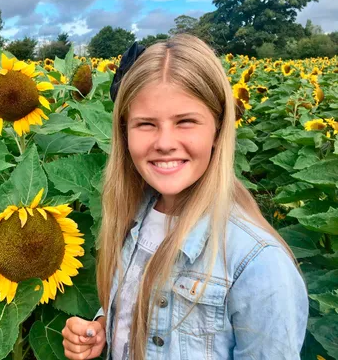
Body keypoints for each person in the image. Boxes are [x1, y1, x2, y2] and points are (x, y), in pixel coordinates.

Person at [61, 34, 309, 360]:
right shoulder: (135, 214)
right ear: (123, 132)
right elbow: (141, 290)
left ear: (218, 130)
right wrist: (106, 325)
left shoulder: (259, 265)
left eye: (186, 122)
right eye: (146, 124)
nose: (165, 142)